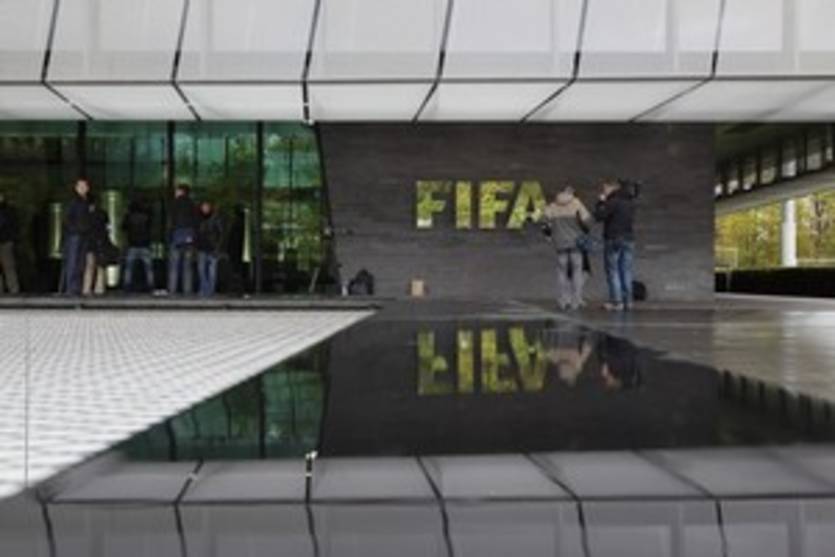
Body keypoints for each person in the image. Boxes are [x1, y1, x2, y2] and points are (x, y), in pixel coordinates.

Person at [541, 186, 592, 310]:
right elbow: (587, 221)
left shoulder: (552, 206)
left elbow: (545, 224)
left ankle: (563, 300)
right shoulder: (577, 204)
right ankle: (576, 300)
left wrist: (549, 236)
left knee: (562, 272)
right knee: (577, 271)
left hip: (560, 243)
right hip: (576, 243)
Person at [595, 179, 638, 311]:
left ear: (612, 188)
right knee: (626, 270)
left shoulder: (612, 201)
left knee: (613, 270)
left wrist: (601, 202)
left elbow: (599, 216)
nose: (603, 191)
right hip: (629, 239)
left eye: (605, 188)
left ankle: (617, 302)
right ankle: (628, 302)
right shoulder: (630, 202)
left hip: (613, 238)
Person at [61, 178, 91, 296]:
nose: (82, 189)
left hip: (83, 235)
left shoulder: (87, 202)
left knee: (80, 262)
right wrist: (76, 229)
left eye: (84, 186)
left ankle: (77, 287)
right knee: (73, 261)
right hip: (75, 235)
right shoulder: (73, 202)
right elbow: (67, 220)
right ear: (76, 188)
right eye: (80, 186)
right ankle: (71, 288)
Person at [167, 184, 198, 295]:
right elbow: (196, 222)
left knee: (174, 266)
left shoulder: (174, 204)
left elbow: (171, 222)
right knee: (187, 267)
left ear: (181, 191)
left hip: (176, 236)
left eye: (177, 191)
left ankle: (172, 290)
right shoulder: (192, 204)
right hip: (189, 238)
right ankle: (187, 290)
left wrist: (169, 236)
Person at [122, 198, 155, 292]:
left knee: (129, 268)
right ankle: (151, 285)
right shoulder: (146, 216)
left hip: (132, 244)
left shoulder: (129, 216)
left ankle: (127, 285)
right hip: (145, 244)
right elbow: (151, 227)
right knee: (148, 268)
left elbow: (123, 227)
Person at [195, 200, 224, 297]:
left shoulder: (215, 218)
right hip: (201, 247)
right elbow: (197, 233)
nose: (205, 208)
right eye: (203, 206)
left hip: (212, 247)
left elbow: (221, 234)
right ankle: (204, 289)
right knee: (201, 270)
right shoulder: (198, 218)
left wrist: (217, 247)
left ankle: (209, 291)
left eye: (207, 206)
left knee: (212, 271)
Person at [83, 195, 110, 296]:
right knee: (101, 266)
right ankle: (99, 288)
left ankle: (86, 288)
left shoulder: (86, 215)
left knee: (89, 266)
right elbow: (107, 228)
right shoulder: (103, 214)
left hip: (89, 242)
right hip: (101, 242)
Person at [0, 193, 20, 294]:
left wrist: (12, 239)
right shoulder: (8, 210)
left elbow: (11, 226)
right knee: (8, 267)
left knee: (8, 266)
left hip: (5, 241)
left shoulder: (7, 211)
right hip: (6, 240)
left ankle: (14, 289)